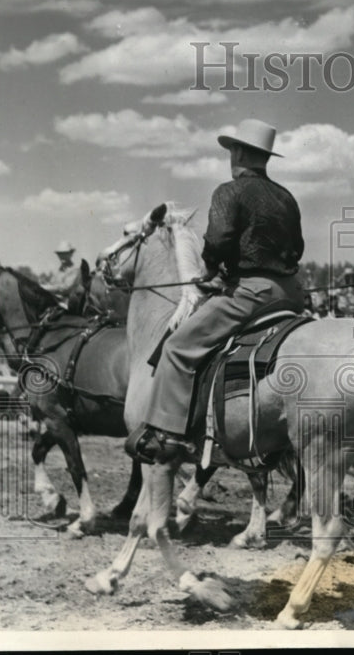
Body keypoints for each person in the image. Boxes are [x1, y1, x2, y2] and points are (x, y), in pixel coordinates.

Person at [125, 119, 306, 464]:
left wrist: (208, 272)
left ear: (237, 152)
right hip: (291, 294)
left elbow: (219, 238)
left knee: (177, 348)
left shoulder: (229, 191)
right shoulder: (287, 197)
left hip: (250, 295)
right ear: (265, 157)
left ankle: (168, 435)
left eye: (231, 151)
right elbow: (297, 246)